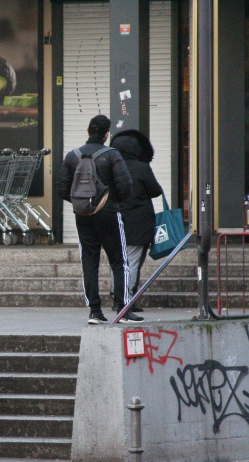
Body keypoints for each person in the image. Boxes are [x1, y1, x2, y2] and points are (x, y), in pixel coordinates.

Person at [57, 114, 141, 324]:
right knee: (119, 261)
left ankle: (95, 312)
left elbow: (62, 189)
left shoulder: (72, 156)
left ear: (88, 130)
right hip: (109, 213)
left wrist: (82, 203)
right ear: (106, 134)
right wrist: (113, 202)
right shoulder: (112, 155)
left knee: (89, 261)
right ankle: (123, 310)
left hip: (83, 215)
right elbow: (126, 185)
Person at [109, 130, 164, 313]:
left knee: (117, 261)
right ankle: (125, 299)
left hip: (112, 220)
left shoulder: (108, 166)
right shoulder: (141, 167)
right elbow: (156, 191)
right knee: (132, 261)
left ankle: (116, 295)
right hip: (137, 223)